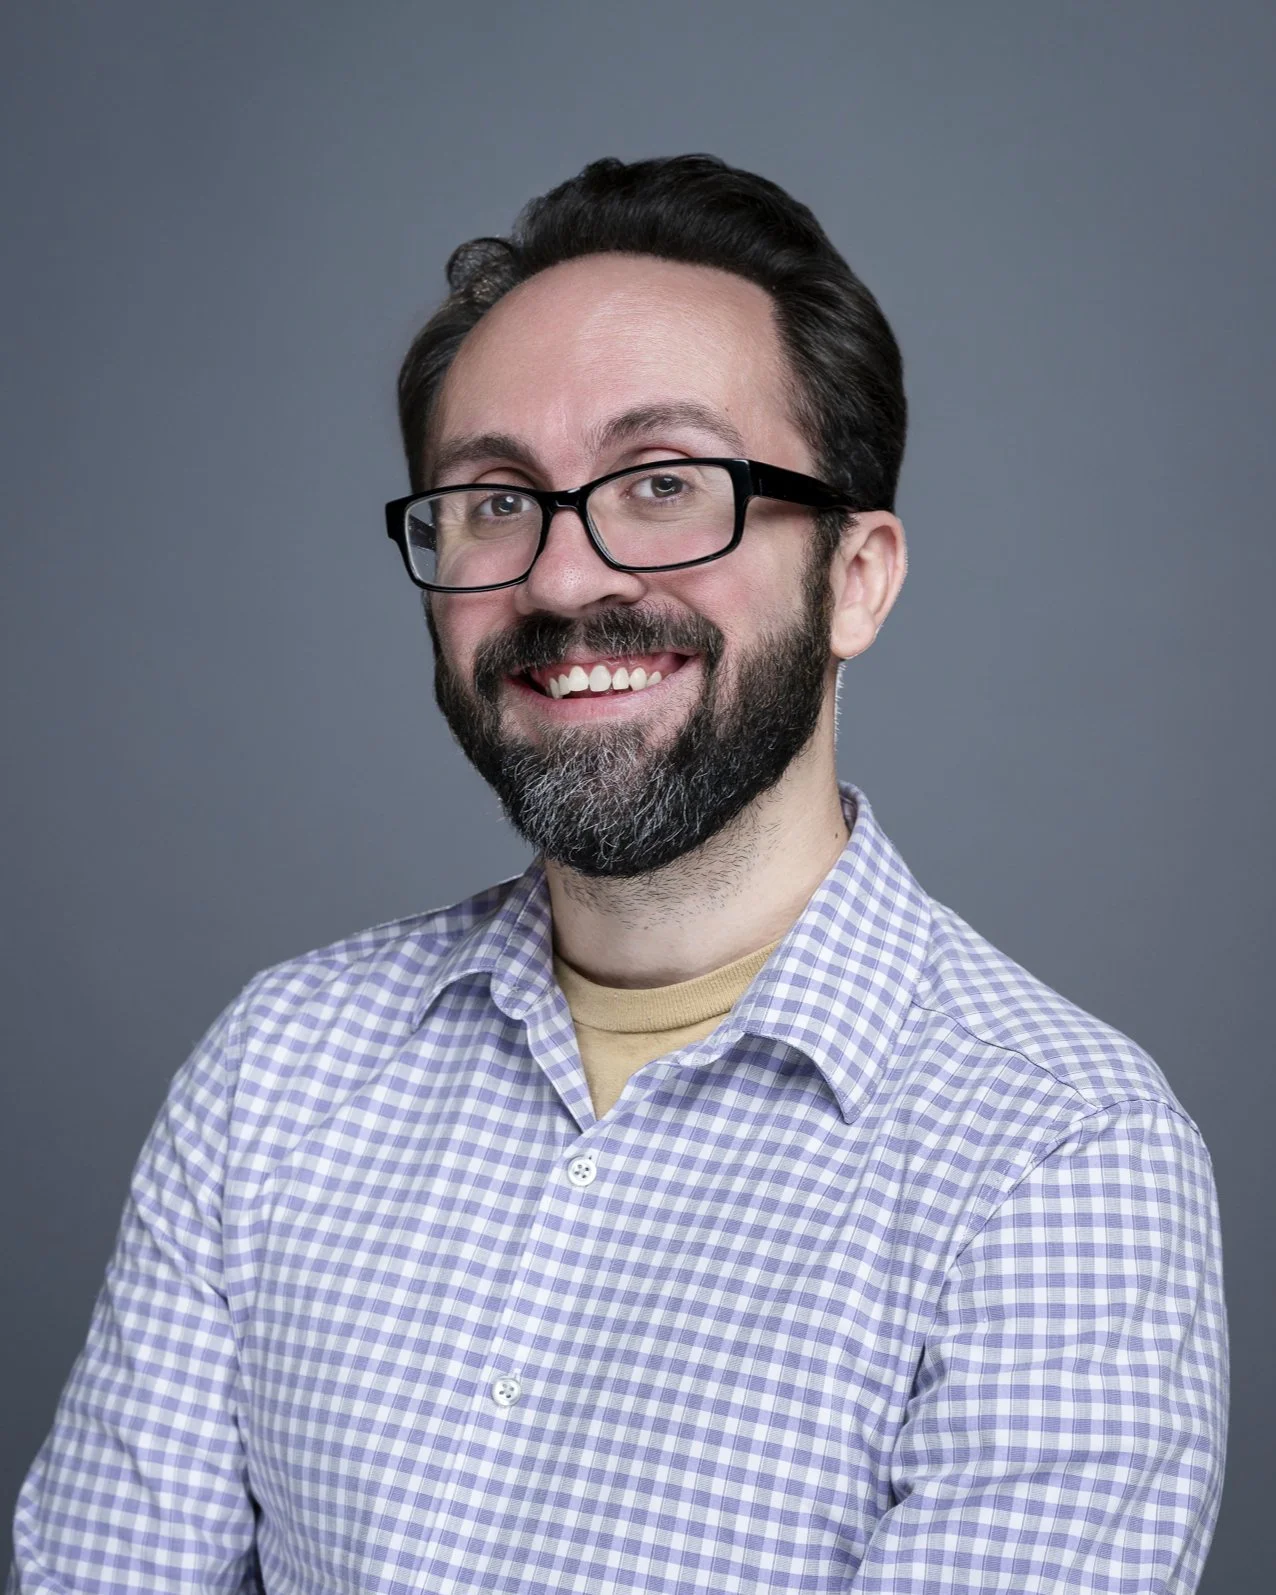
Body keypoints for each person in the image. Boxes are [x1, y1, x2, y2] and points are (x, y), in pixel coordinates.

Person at [10, 154, 1226, 1594]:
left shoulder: (1056, 1159)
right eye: (493, 500)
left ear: (857, 577)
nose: (566, 578)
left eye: (663, 483)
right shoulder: (278, 1069)